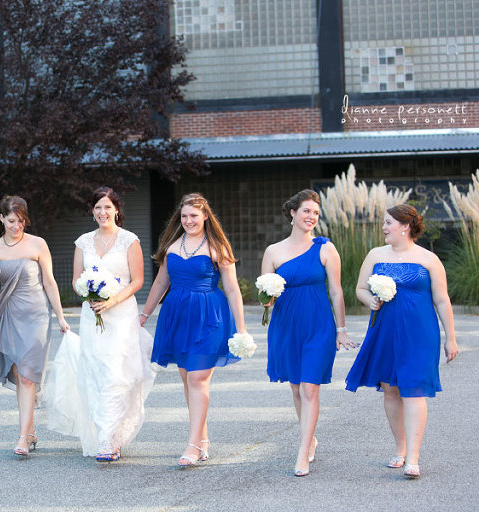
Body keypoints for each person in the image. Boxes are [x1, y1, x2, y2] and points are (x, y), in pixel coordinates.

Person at [346, 204, 458, 479]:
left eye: (388, 223)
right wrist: (369, 299)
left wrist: (451, 338)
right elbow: (360, 288)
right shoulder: (375, 255)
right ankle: (400, 448)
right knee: (391, 389)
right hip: (384, 330)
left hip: (420, 333)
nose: (384, 227)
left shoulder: (428, 259)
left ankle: (414, 458)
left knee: (414, 389)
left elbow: (442, 300)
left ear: (404, 226)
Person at [47, 186, 155, 462]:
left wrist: (112, 300)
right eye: (98, 207)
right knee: (95, 372)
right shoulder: (82, 242)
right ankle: (103, 434)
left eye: (107, 207)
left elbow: (138, 281)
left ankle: (109, 437)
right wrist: (88, 293)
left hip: (120, 316)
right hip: (91, 315)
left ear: (116, 210)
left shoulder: (129, 240)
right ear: (92, 211)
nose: (102, 212)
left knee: (115, 373)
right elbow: (75, 279)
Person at [140, 193, 248, 466]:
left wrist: (242, 329)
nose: (188, 220)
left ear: (205, 217)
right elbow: (160, 283)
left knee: (198, 377)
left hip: (208, 316)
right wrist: (143, 315)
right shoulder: (172, 246)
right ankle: (202, 438)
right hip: (177, 316)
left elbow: (233, 289)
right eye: (184, 216)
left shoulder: (217, 247)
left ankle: (191, 446)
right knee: (187, 378)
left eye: (194, 216)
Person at [260, 189, 356, 476]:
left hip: (318, 325)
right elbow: (266, 293)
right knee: (296, 387)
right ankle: (309, 437)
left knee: (310, 387)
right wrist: (268, 296)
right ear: (292, 213)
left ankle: (302, 452)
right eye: (306, 211)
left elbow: (336, 292)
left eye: (315, 213)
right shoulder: (273, 251)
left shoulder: (326, 248)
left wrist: (341, 330)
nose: (311, 217)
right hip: (286, 326)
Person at [0, 196, 70, 456]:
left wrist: (61, 317)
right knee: (20, 375)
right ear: (1, 219)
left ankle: (22, 437)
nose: (16, 226)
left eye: (20, 221)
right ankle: (29, 431)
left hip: (36, 315)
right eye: (11, 221)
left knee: (29, 375)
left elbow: (49, 282)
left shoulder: (38, 244)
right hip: (7, 314)